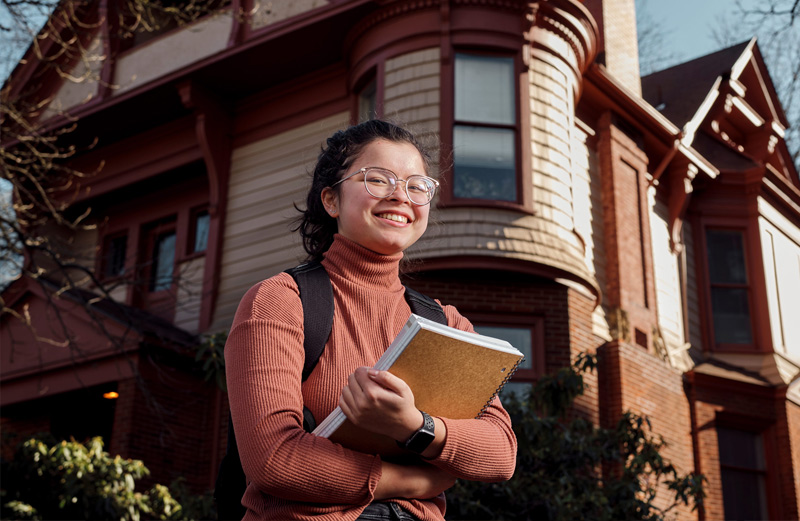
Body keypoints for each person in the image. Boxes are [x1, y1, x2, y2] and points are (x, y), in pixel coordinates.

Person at [225, 120, 517, 520]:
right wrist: (414, 481)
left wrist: (415, 425)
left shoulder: (446, 323)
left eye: (417, 186)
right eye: (378, 179)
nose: (401, 196)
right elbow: (275, 459)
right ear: (331, 201)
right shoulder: (280, 301)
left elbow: (500, 453)